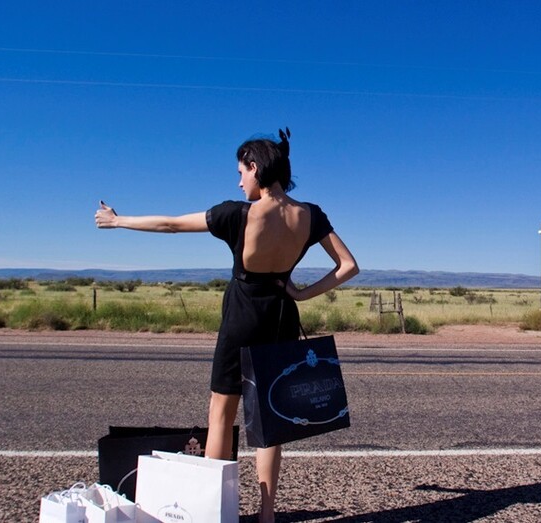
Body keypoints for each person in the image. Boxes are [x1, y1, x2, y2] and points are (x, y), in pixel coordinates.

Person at [95, 128, 358, 523]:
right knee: (272, 420)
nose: (238, 181)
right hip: (282, 316)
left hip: (242, 318)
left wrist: (118, 221)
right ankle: (267, 514)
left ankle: (216, 513)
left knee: (221, 413)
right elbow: (349, 266)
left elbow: (171, 225)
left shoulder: (237, 214)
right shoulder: (310, 214)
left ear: (255, 167)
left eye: (241, 171)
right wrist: (301, 294)